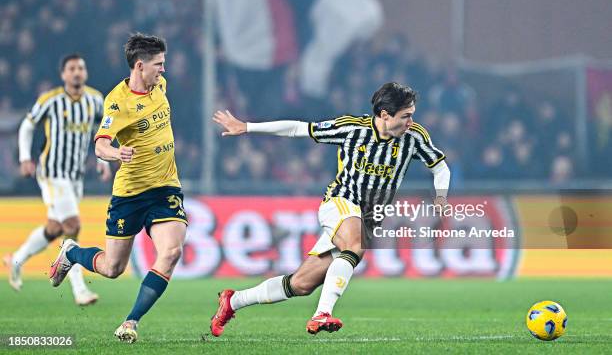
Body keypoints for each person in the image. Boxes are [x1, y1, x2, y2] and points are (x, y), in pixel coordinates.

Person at [210, 81, 451, 336]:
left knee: (301, 284)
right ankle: (321, 314)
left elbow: (440, 166)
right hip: (339, 201)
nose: (411, 121)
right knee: (354, 245)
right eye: (406, 116)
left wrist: (441, 196)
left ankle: (233, 301)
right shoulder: (351, 129)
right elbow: (298, 129)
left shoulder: (414, 138)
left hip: (367, 218)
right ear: (384, 115)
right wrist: (247, 127)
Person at [48, 33, 187, 344]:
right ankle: (72, 253)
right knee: (112, 268)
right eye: (158, 65)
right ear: (140, 66)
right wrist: (117, 154)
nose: (164, 71)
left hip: (165, 189)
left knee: (172, 251)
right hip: (130, 195)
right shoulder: (117, 102)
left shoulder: (159, 86)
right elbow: (100, 146)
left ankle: (131, 321)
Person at [3, 54, 110, 306]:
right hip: (52, 173)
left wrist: (103, 161)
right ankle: (79, 289)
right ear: (63, 75)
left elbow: (102, 132)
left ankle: (15, 260)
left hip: (75, 176)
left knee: (54, 229)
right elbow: (28, 126)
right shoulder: (51, 100)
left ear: (86, 72)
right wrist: (26, 158)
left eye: (81, 68)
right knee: (72, 225)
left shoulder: (95, 100)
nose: (77, 72)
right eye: (71, 69)